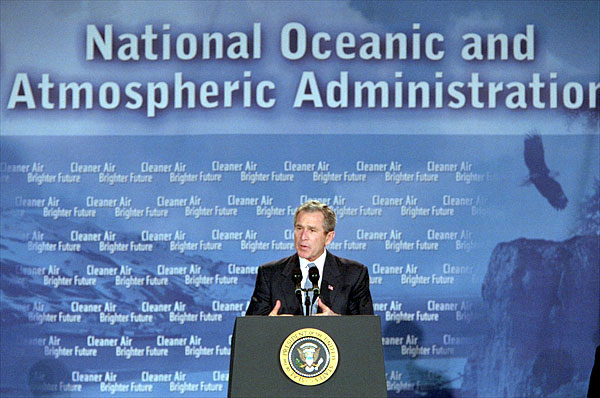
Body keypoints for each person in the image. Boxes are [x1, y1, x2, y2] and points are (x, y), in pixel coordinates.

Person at [245, 200, 374, 316]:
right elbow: (249, 331)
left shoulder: (354, 274)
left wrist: (337, 323)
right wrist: (269, 325)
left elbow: (365, 331)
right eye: (299, 228)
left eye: (312, 230)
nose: (303, 236)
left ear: (328, 237)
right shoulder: (270, 274)